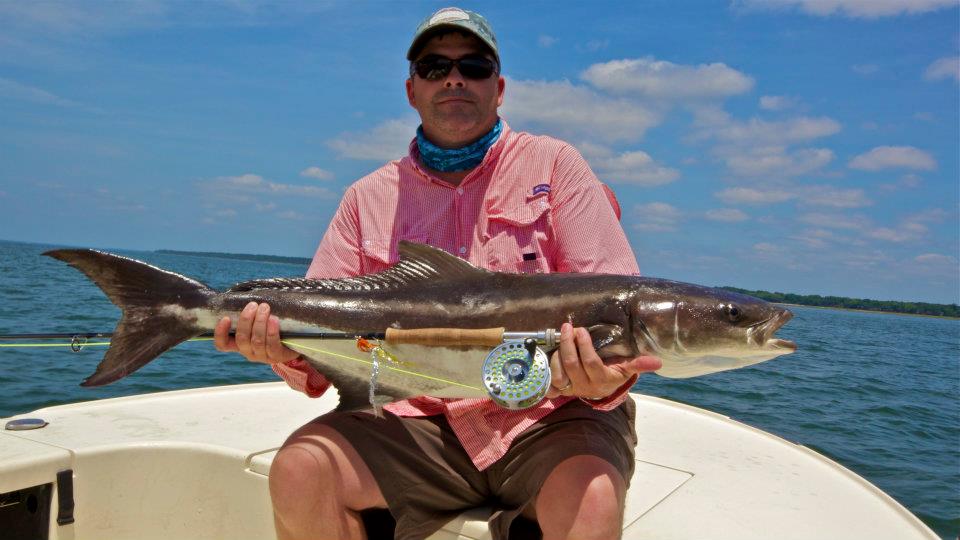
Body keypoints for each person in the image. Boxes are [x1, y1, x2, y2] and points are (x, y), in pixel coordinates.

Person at [214, 7, 661, 540]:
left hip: (550, 417)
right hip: (411, 418)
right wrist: (281, 350)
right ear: (411, 90)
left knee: (592, 497)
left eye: (473, 66)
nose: (454, 78)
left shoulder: (557, 166)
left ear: (499, 88)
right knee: (299, 470)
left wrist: (606, 381)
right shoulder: (366, 198)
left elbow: (617, 306)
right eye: (434, 67)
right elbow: (316, 347)